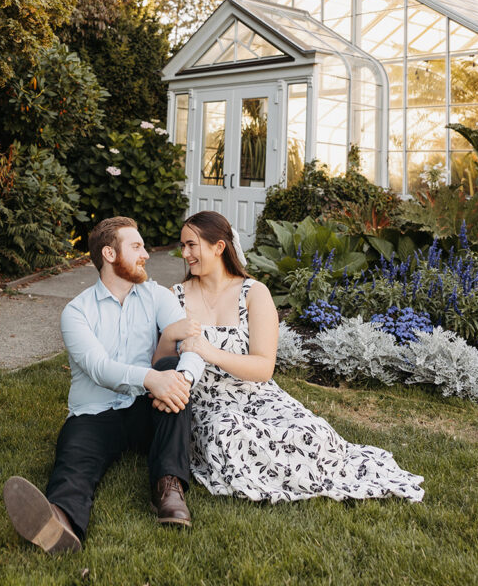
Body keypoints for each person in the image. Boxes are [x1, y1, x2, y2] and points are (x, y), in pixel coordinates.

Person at [155, 210, 424, 504]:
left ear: (218, 247)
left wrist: (210, 352)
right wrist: (170, 337)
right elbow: (159, 366)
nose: (185, 253)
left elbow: (263, 367)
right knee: (229, 433)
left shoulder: (254, 293)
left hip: (257, 393)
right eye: (183, 246)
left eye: (191, 245)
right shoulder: (176, 295)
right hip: (209, 402)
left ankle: (308, 470)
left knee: (314, 432)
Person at [3, 216, 206, 553]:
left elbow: (192, 344)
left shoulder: (156, 296)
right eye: (137, 247)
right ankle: (60, 521)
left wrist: (181, 379)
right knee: (75, 458)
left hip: (146, 408)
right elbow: (98, 368)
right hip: (94, 413)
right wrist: (151, 378)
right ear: (110, 254)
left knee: (173, 371)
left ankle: (168, 490)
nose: (146, 255)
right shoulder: (76, 312)